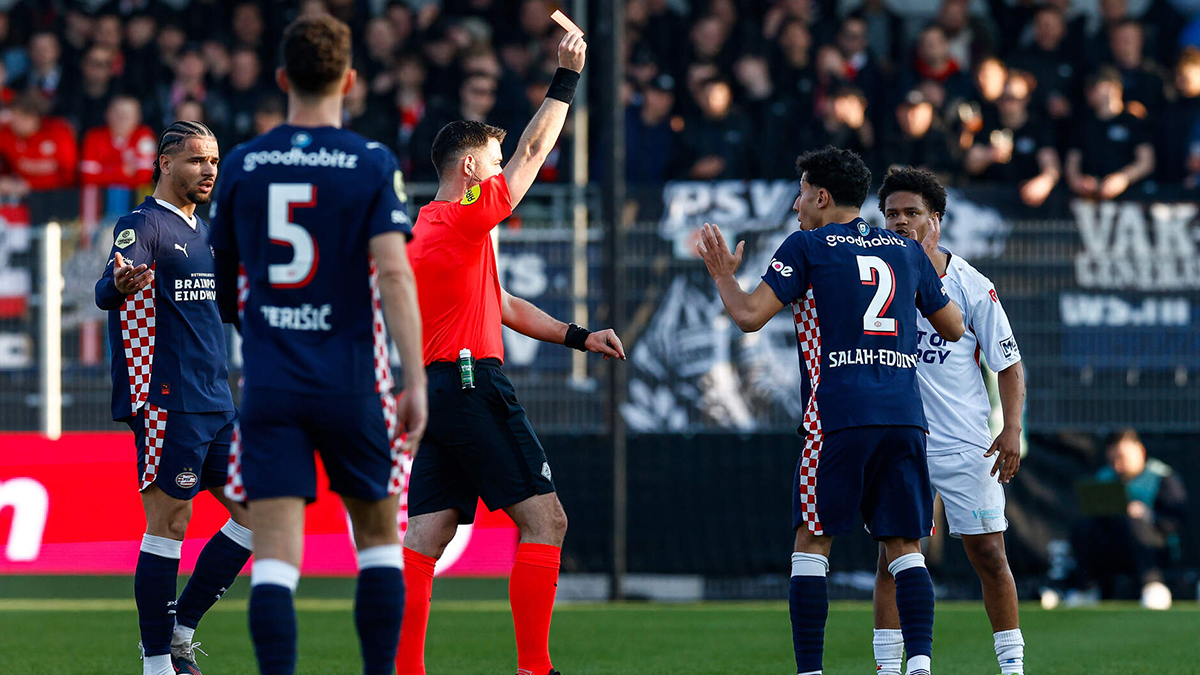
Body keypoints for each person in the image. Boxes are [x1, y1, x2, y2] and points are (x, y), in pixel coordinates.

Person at [398, 31, 624, 675]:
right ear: (471, 171)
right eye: (492, 163)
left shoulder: (432, 232)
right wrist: (566, 78)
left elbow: (503, 305)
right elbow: (531, 151)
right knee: (547, 522)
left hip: (442, 392)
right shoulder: (462, 217)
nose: (503, 172)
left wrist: (579, 336)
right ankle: (535, 669)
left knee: (426, 536)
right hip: (472, 385)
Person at [210, 15, 427, 675]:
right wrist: (416, 379)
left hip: (272, 383)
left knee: (276, 555)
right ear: (350, 81)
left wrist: (262, 329)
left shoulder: (243, 163)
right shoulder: (371, 162)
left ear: (282, 79)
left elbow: (222, 279)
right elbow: (395, 273)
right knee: (379, 539)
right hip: (354, 381)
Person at [694, 146, 964, 675]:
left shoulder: (807, 246)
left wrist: (724, 275)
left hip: (838, 412)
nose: (795, 206)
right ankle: (920, 666)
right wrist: (923, 264)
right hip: (904, 414)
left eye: (800, 194)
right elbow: (953, 326)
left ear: (821, 196)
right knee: (904, 545)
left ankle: (811, 672)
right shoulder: (905, 250)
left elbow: (748, 316)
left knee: (813, 541)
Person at [94, 120, 251, 675]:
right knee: (171, 524)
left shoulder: (205, 231)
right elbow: (106, 287)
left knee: (256, 514)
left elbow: (224, 308)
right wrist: (119, 285)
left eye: (214, 161)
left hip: (218, 399)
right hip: (167, 396)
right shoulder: (142, 224)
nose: (209, 170)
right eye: (196, 160)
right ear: (164, 163)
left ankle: (179, 630)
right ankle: (158, 664)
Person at [875, 167, 1029, 675]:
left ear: (935, 220)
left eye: (911, 212)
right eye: (891, 214)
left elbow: (1008, 363)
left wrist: (1011, 429)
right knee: (894, 560)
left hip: (965, 443)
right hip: (900, 440)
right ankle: (887, 668)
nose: (900, 221)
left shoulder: (971, 284)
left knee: (990, 555)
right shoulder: (874, 278)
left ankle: (1012, 667)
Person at [1069, 429, 1189, 609]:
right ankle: (1087, 589)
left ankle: (1153, 586)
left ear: (1140, 452)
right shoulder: (1104, 477)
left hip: (1155, 547)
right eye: (1112, 460)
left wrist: (1148, 515)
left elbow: (1175, 521)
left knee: (1134, 522)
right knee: (1085, 526)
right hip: (1115, 548)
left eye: (1122, 458)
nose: (1118, 465)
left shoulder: (1162, 477)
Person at [1065, 67, 1154, 200]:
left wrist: (1122, 178)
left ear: (1113, 87)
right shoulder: (1083, 122)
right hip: (1089, 199)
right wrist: (1078, 180)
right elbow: (1072, 160)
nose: (1089, 91)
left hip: (1130, 198)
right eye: (1087, 87)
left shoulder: (1132, 120)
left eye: (1095, 85)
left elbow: (1146, 161)